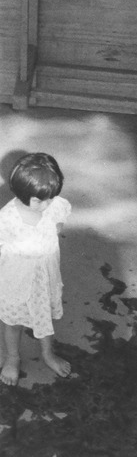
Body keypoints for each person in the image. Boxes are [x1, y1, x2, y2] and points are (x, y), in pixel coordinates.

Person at [0, 153, 72, 386]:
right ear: (21, 193)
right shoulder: (7, 219)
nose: (47, 204)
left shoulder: (52, 204)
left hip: (45, 276)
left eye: (51, 197)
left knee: (45, 314)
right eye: (40, 201)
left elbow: (59, 218)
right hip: (16, 281)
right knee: (13, 323)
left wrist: (54, 226)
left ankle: (48, 354)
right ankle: (12, 357)